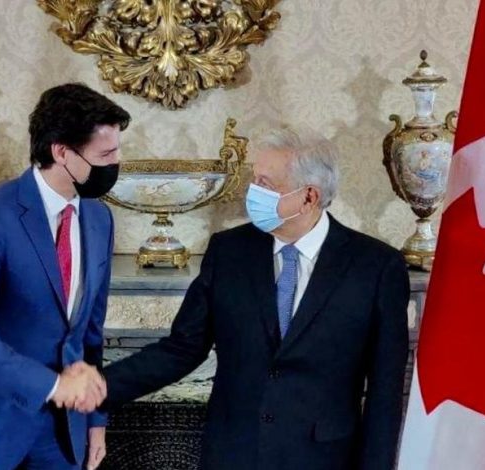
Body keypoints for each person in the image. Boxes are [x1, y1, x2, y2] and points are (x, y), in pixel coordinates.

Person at [103, 126, 410, 470]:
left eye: (266, 184)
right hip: (233, 455)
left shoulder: (375, 267)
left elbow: (385, 393)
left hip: (324, 459)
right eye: (255, 180)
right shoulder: (229, 252)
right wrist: (99, 387)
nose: (252, 193)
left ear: (309, 196)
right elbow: (182, 349)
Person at [0, 83, 130, 470]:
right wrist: (53, 385)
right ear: (61, 152)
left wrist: (96, 421)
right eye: (105, 154)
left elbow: (90, 334)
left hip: (62, 437)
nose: (117, 162)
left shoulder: (99, 218)